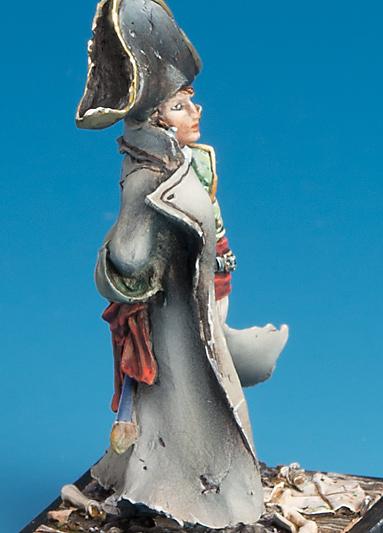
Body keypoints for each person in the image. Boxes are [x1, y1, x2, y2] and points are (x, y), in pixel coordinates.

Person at [74, 0, 288, 527]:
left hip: (204, 298)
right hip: (172, 320)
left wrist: (219, 274)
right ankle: (184, 495)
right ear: (154, 119)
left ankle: (201, 488)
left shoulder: (191, 162)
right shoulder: (146, 179)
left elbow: (211, 225)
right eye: (178, 105)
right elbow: (125, 260)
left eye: (190, 100)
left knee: (215, 385)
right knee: (183, 405)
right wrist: (135, 270)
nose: (195, 111)